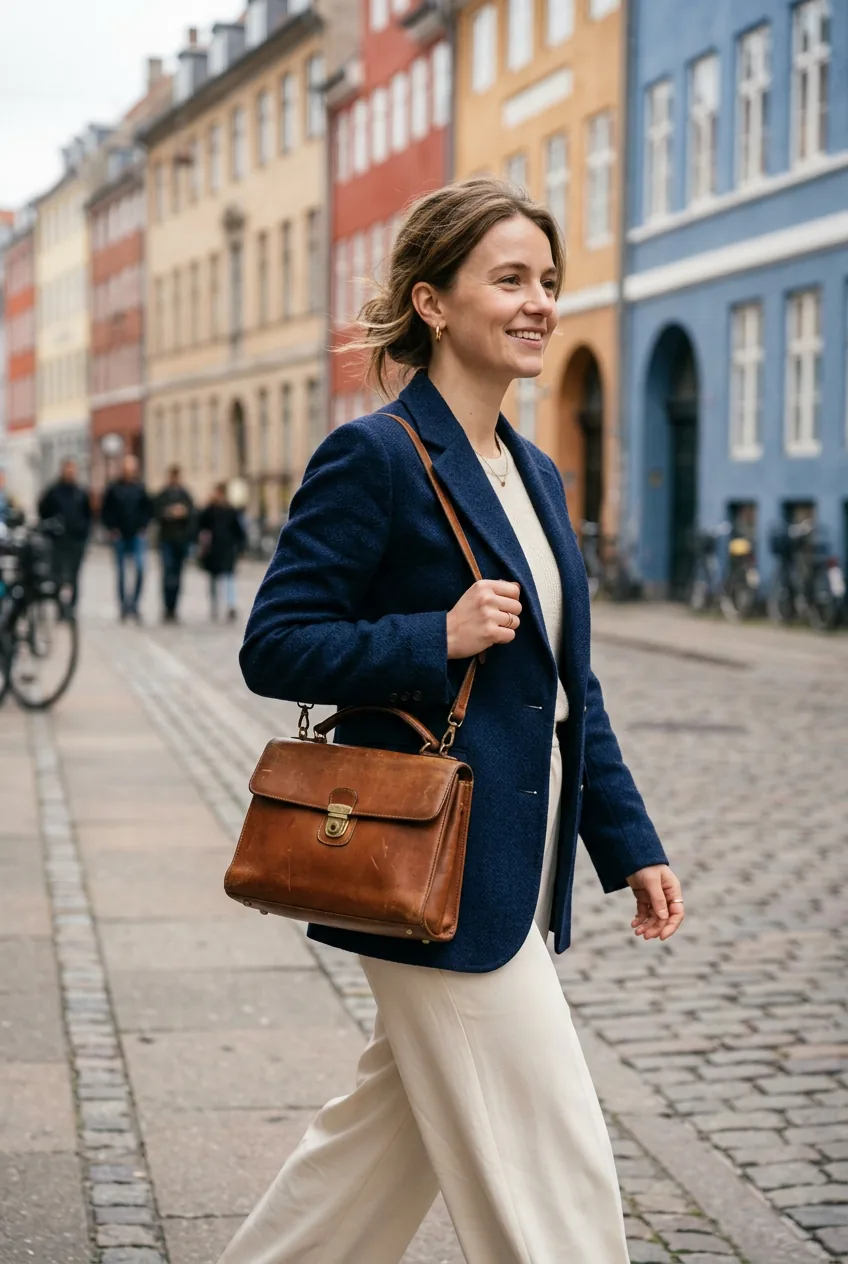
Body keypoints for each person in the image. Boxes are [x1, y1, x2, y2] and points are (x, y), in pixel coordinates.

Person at [219, 179, 685, 1264]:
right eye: (509, 279)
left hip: (509, 871)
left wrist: (629, 845)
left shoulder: (534, 473)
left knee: (372, 1155)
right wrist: (433, 636)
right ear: (431, 302)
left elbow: (571, 690)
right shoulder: (375, 456)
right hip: (428, 865)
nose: (537, 303)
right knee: (551, 1161)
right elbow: (276, 641)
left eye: (548, 282)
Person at [101, 454, 152, 622]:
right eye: (126, 468)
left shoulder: (140, 488)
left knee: (139, 569)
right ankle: (123, 605)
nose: (129, 472)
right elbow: (106, 510)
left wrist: (143, 527)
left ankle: (134, 604)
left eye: (131, 469)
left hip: (137, 534)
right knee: (121, 573)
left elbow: (147, 509)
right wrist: (111, 528)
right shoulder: (114, 488)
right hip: (120, 535)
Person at [37, 458, 92, 612]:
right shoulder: (53, 491)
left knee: (74, 575)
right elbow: (43, 512)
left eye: (72, 470)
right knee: (58, 575)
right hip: (58, 541)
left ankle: (72, 606)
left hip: (76, 540)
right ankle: (60, 606)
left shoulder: (80, 493)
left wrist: (84, 533)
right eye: (68, 469)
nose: (70, 473)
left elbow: (88, 515)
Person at [197, 482, 245, 621]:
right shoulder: (209, 511)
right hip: (212, 550)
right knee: (212, 579)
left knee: (229, 577)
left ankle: (230, 605)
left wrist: (241, 549)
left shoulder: (230, 511)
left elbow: (238, 531)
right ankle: (214, 605)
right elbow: (200, 524)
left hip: (227, 548)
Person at [153, 464, 194, 623]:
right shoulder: (163, 495)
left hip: (181, 541)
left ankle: (174, 607)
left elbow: (192, 516)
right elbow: (156, 513)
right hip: (166, 539)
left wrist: (184, 513)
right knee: (167, 574)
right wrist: (169, 513)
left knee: (177, 576)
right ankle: (167, 606)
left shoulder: (185, 495)